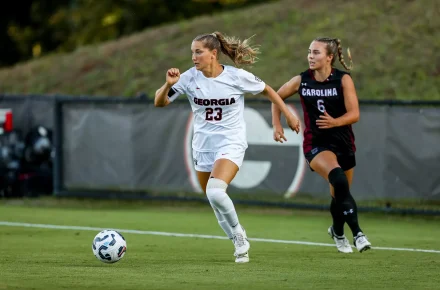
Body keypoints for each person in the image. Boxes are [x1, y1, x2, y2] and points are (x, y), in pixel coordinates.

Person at [154, 31, 300, 263]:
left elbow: (268, 90)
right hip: (202, 147)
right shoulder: (188, 78)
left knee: (215, 191)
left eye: (198, 52)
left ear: (213, 54)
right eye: (192, 52)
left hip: (230, 142)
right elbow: (159, 102)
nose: (194, 57)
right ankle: (236, 239)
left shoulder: (235, 76)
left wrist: (287, 115)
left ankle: (239, 234)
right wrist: (167, 85)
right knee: (214, 200)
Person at [271, 37, 371, 253]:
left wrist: (335, 122)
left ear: (329, 57)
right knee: (338, 178)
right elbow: (276, 96)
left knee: (340, 194)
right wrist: (278, 123)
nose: (310, 56)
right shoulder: (302, 80)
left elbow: (354, 114)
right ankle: (358, 234)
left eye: (316, 52)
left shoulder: (343, 80)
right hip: (316, 143)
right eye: (309, 51)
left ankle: (337, 230)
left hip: (343, 143)